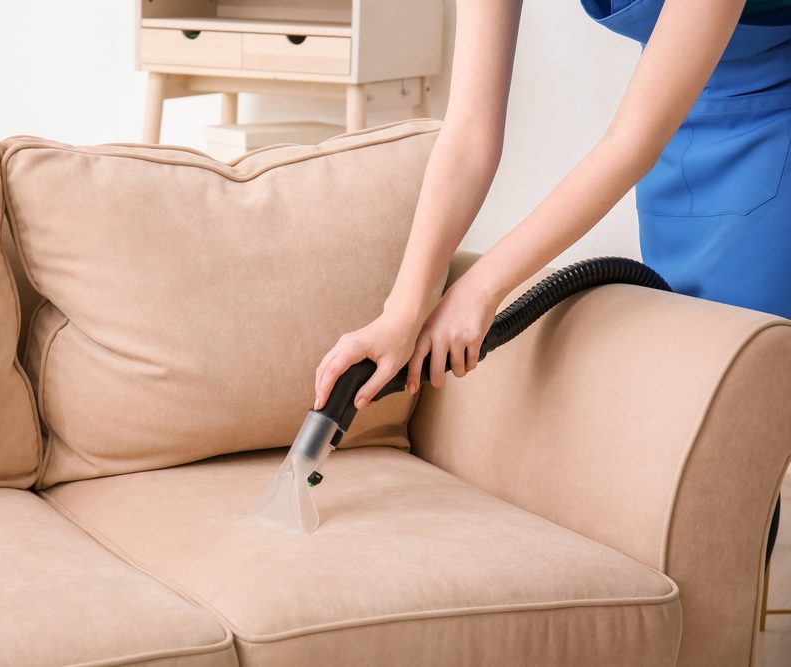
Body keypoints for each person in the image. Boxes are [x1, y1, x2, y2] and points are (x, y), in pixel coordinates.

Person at [313, 0, 790, 562]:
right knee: (689, 397)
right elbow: (468, 131)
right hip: (682, 120)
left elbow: (631, 141)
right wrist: (402, 310)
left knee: (730, 406)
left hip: (762, 121)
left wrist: (482, 288)